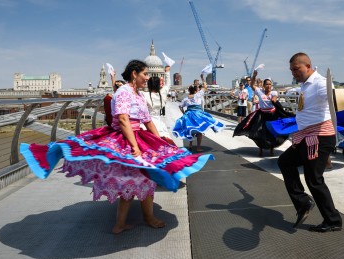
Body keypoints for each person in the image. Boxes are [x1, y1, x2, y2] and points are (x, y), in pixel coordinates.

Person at [20, 59, 214, 234]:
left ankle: (139, 219)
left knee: (146, 177)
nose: (147, 78)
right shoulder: (123, 92)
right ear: (134, 74)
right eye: (145, 74)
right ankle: (126, 222)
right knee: (131, 179)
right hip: (125, 138)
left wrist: (160, 141)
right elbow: (122, 119)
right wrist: (134, 146)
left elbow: (148, 121)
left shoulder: (138, 96)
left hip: (140, 136)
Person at [277, 52, 342, 232]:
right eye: (291, 70)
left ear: (307, 66)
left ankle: (333, 221)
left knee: (314, 179)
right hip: (306, 136)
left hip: (319, 137)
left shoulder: (320, 83)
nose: (293, 73)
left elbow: (333, 97)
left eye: (296, 69)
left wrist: (341, 100)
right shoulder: (305, 85)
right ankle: (303, 202)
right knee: (285, 162)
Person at [233, 70, 294, 156]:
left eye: (270, 84)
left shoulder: (273, 92)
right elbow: (252, 85)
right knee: (260, 133)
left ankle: (271, 149)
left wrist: (274, 99)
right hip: (262, 115)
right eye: (267, 84)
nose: (268, 86)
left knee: (273, 133)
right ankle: (261, 149)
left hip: (272, 115)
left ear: (271, 85)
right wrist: (254, 76)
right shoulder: (259, 91)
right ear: (264, 86)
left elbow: (275, 98)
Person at [173, 74, 224, 152]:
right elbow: (205, 87)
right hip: (198, 114)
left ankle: (190, 144)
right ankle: (198, 147)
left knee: (191, 129)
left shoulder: (186, 99)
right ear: (196, 90)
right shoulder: (197, 95)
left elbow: (180, 106)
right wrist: (203, 79)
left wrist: (184, 113)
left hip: (189, 115)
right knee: (199, 131)